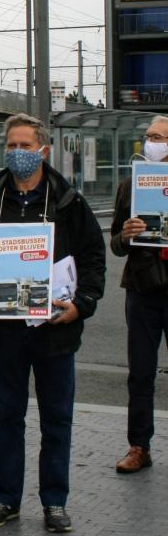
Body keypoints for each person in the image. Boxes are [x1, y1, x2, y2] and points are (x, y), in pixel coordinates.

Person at [0, 113, 105, 534]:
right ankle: (6, 500)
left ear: (43, 150)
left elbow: (94, 258)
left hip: (55, 329)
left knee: (57, 418)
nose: (18, 153)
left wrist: (82, 304)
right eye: (12, 146)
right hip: (4, 331)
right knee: (9, 416)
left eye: (26, 146)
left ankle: (55, 502)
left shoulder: (68, 201)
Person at [109, 114, 168, 473]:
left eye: (160, 136)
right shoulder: (130, 185)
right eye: (149, 136)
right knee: (141, 372)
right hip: (142, 290)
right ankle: (138, 446)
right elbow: (115, 243)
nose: (152, 142)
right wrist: (126, 235)